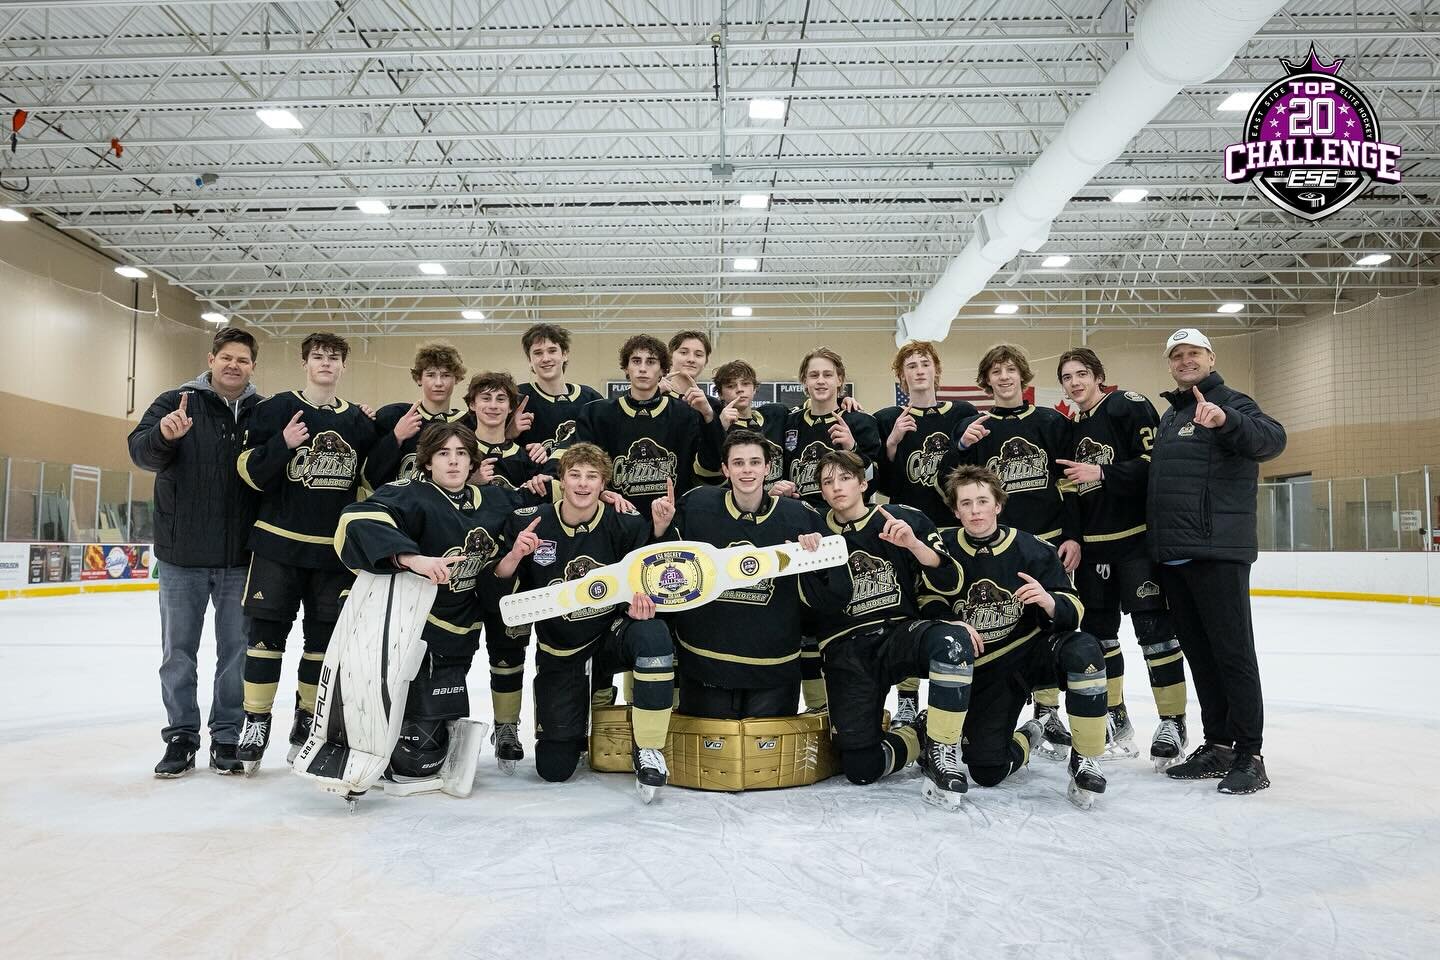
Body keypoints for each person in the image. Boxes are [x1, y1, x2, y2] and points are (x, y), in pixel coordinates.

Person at [333, 422, 520, 786]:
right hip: (416, 626)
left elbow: (551, 509)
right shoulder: (410, 494)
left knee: (434, 737)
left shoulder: (495, 498)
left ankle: (438, 723)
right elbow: (354, 520)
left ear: (473, 462)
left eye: (461, 454)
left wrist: (604, 498)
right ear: (428, 461)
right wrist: (411, 559)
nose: (453, 462)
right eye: (443, 454)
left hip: (464, 625)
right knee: (415, 758)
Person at [493, 443, 675, 801]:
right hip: (561, 646)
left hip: (609, 634)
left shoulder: (625, 521)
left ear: (604, 483)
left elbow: (650, 575)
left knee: (653, 633)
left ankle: (649, 749)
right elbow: (498, 586)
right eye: (574, 475)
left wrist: (659, 532)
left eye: (592, 477)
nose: (582, 484)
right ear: (561, 480)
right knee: (554, 769)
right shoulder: (529, 521)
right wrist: (515, 554)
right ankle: (576, 716)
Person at [1148, 329, 1286, 795]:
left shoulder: (1232, 401)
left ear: (1211, 357)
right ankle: (1218, 745)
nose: (1185, 361)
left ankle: (1251, 753)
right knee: (1202, 657)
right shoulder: (1173, 414)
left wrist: (1226, 419)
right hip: (1177, 557)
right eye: (1177, 355)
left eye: (1194, 353)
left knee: (1233, 654)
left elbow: (1272, 440)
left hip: (1217, 553)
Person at [922, 465, 1109, 807]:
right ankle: (1031, 734)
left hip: (1030, 655)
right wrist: (948, 620)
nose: (975, 510)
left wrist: (1051, 601)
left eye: (982, 501)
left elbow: (1074, 609)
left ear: (998, 505)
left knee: (1085, 650)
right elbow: (926, 599)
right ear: (955, 510)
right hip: (984, 672)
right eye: (966, 504)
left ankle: (1086, 757)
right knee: (987, 770)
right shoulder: (942, 549)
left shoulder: (1034, 550)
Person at [233, 332, 377, 774]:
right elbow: (248, 473)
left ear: (344, 367)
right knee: (264, 642)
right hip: (276, 547)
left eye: (334, 358)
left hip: (333, 557)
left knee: (320, 647)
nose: (326, 364)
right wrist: (284, 444)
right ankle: (255, 722)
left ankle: (305, 724)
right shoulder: (274, 409)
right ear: (304, 363)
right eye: (318, 357)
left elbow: (367, 488)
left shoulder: (358, 422)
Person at [805, 450, 977, 808]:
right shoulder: (813, 532)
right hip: (847, 648)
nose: (836, 487)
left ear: (863, 483)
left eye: (845, 478)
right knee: (861, 768)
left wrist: (913, 545)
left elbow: (949, 578)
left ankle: (945, 748)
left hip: (898, 632)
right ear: (821, 492)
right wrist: (807, 558)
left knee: (952, 642)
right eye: (827, 482)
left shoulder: (901, 518)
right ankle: (920, 735)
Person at [128, 326, 263, 777]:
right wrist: (165, 436)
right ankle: (182, 735)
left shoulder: (263, 412)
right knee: (178, 653)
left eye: (242, 360)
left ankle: (226, 735)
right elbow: (142, 453)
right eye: (226, 357)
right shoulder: (176, 401)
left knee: (236, 653)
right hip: (181, 554)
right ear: (211, 360)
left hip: (239, 559)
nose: (233, 365)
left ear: (252, 367)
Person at [938, 343, 1080, 754]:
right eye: (995, 372)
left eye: (1010, 370)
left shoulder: (1051, 421)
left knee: (1049, 621)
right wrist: (960, 445)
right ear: (986, 381)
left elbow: (1070, 483)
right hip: (997, 548)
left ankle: (1048, 710)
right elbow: (953, 485)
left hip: (1047, 544)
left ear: (1022, 375)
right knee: (1006, 623)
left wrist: (1072, 534)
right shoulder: (976, 426)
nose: (1004, 377)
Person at [1054, 347, 1189, 768]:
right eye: (1067, 377)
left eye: (1081, 374)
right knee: (1099, 637)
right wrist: (1073, 537)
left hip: (1135, 543)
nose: (1074, 383)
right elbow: (1070, 493)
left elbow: (1155, 463)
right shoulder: (1072, 427)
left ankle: (1173, 722)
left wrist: (1104, 473)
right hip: (1094, 550)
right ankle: (1116, 718)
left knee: (1153, 631)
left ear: (1098, 376)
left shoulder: (1127, 406)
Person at [650, 430, 827, 718]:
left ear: (768, 468)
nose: (747, 470)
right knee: (711, 758)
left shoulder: (798, 515)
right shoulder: (697, 505)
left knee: (765, 759)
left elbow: (827, 585)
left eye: (755, 462)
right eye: (739, 463)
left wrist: (813, 557)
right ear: (725, 469)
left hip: (774, 665)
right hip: (706, 661)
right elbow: (664, 570)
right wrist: (661, 528)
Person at [873, 341, 978, 728]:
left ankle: (962, 693)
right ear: (901, 377)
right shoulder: (887, 417)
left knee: (958, 609)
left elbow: (973, 468)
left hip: (954, 529)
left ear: (936, 370)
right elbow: (880, 483)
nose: (918, 371)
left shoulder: (962, 413)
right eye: (910, 366)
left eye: (924, 364)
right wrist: (893, 442)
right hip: (908, 529)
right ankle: (906, 696)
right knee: (909, 609)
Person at [460, 370, 548, 771]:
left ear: (511, 407)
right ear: (472, 403)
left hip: (512, 572)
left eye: (501, 399)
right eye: (485, 398)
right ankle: (441, 724)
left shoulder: (527, 458)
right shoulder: (457, 448)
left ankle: (507, 727)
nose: (493, 406)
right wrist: (471, 481)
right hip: (461, 567)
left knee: (509, 650)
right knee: (453, 652)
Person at [566, 334, 703, 516]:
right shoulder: (596, 414)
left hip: (672, 520)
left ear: (663, 370)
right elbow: (582, 468)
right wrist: (601, 492)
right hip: (616, 521)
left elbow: (709, 471)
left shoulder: (686, 415)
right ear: (626, 368)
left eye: (651, 362)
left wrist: (710, 417)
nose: (643, 369)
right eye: (636, 361)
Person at [781, 347, 882, 510]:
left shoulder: (861, 421)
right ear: (805, 381)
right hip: (800, 519)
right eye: (814, 375)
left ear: (840, 379)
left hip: (843, 522)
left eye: (827, 375)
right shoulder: (789, 422)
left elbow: (874, 483)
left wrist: (853, 448)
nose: (820, 380)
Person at [362, 341, 468, 492]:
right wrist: (396, 436)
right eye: (431, 375)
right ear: (419, 378)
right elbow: (370, 474)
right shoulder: (393, 416)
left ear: (456, 378)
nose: (438, 383)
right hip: (400, 508)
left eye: (446, 375)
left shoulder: (467, 422)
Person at [693, 359, 791, 490]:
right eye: (731, 386)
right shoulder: (713, 426)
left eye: (745, 384)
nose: (739, 390)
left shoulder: (776, 415)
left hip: (775, 503)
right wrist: (718, 428)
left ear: (754, 388)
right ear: (720, 394)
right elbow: (706, 471)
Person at [514, 323, 603, 466]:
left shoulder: (591, 398)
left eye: (552, 350)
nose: (546, 358)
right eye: (538, 353)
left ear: (565, 354)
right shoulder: (517, 397)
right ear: (530, 360)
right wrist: (509, 434)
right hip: (534, 483)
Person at [662, 329, 718, 424]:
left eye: (698, 355)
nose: (691, 359)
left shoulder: (713, 405)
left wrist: (708, 415)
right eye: (683, 353)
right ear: (670, 356)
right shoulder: (655, 396)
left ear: (706, 362)